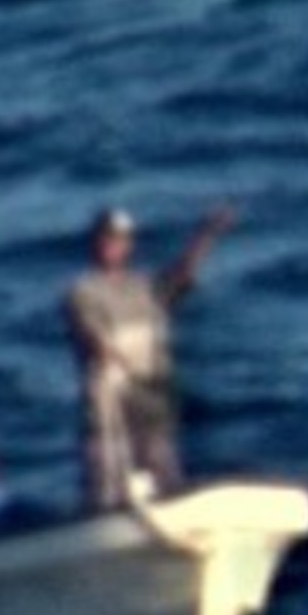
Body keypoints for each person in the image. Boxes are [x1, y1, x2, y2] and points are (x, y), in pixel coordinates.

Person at [66, 203, 236, 510]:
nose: (111, 245)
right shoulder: (83, 290)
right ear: (94, 243)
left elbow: (182, 275)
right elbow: (84, 327)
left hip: (151, 397)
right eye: (105, 238)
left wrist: (207, 235)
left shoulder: (145, 288)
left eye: (118, 239)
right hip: (109, 405)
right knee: (106, 487)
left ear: (128, 245)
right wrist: (103, 350)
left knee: (165, 475)